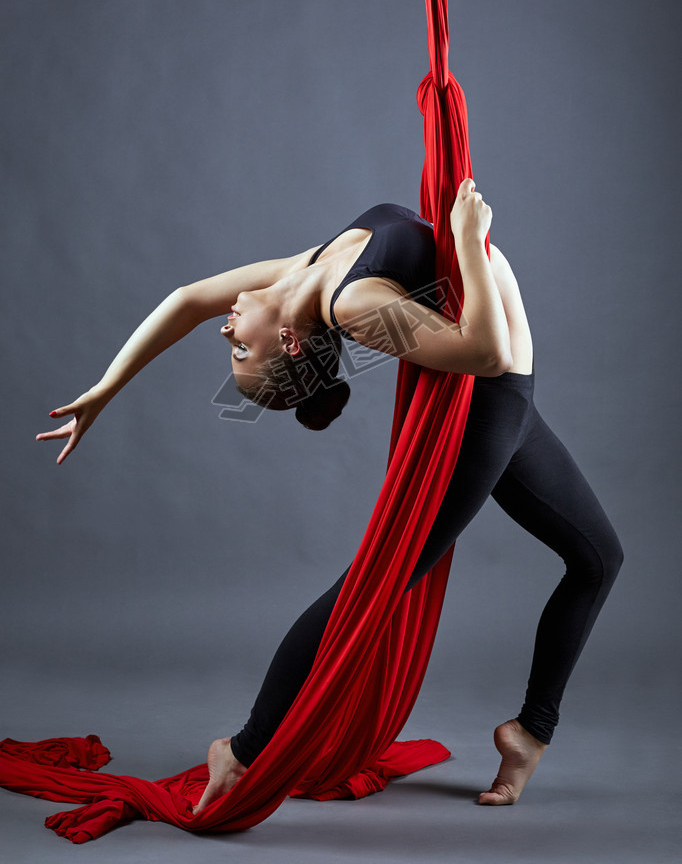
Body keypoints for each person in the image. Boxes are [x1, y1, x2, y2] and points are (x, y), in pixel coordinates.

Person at [35, 179, 623, 810]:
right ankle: (243, 750)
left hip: (509, 405)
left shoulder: (305, 271)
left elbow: (184, 300)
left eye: (232, 346)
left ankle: (528, 733)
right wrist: (468, 239)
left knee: (596, 559)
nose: (226, 330)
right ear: (289, 341)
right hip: (486, 409)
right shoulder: (354, 306)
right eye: (239, 348)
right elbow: (484, 352)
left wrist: (104, 389)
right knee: (371, 585)